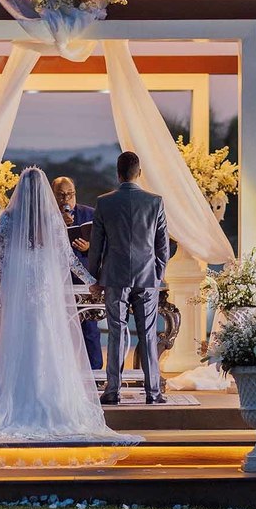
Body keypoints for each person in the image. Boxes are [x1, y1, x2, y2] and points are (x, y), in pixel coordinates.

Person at [0, 168, 138, 445]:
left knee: (20, 342)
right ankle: (49, 399)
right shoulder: (52, 220)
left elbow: (0, 259)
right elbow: (69, 259)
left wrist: (8, 285)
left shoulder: (8, 218)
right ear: (44, 193)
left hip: (21, 290)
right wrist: (92, 281)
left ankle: (18, 399)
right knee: (48, 340)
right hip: (44, 290)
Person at [89, 152, 170, 406]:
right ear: (139, 172)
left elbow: (96, 246)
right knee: (147, 334)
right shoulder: (155, 202)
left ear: (118, 173)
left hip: (114, 276)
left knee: (116, 332)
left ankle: (112, 390)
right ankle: (153, 392)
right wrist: (157, 274)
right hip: (147, 277)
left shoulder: (104, 203)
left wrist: (95, 278)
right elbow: (163, 247)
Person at [53, 175, 102, 371]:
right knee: (57, 329)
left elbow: (105, 245)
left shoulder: (90, 214)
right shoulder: (47, 216)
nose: (66, 200)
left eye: (70, 194)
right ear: (53, 196)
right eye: (61, 195)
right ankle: (62, 373)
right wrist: (59, 225)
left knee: (89, 327)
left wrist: (89, 247)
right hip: (56, 279)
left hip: (84, 279)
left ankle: (95, 371)